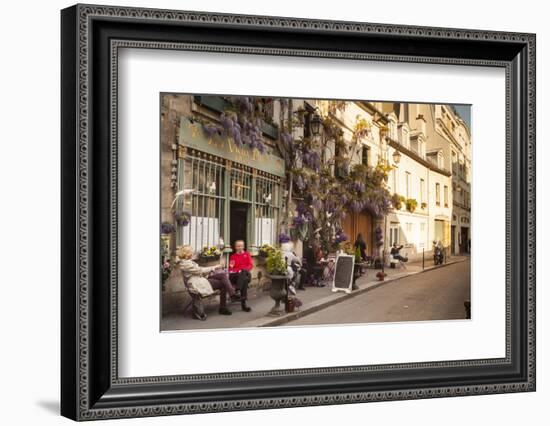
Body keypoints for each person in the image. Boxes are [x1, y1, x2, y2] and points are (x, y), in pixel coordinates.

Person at [177, 245, 236, 319]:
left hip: (202, 279)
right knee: (223, 284)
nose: (192, 253)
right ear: (186, 254)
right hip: (197, 282)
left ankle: (232, 295)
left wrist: (214, 268)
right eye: (191, 252)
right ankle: (225, 305)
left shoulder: (188, 262)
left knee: (223, 276)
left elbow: (200, 269)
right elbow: (199, 270)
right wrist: (214, 267)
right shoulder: (185, 264)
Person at [228, 240, 253, 312]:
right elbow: (230, 268)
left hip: (246, 273)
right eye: (238, 246)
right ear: (235, 247)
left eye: (241, 246)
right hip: (236, 276)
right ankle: (244, 305)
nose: (240, 247)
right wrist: (238, 271)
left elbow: (250, 265)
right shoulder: (233, 256)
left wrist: (243, 270)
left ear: (243, 246)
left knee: (244, 273)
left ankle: (237, 290)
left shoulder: (247, 254)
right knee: (244, 280)